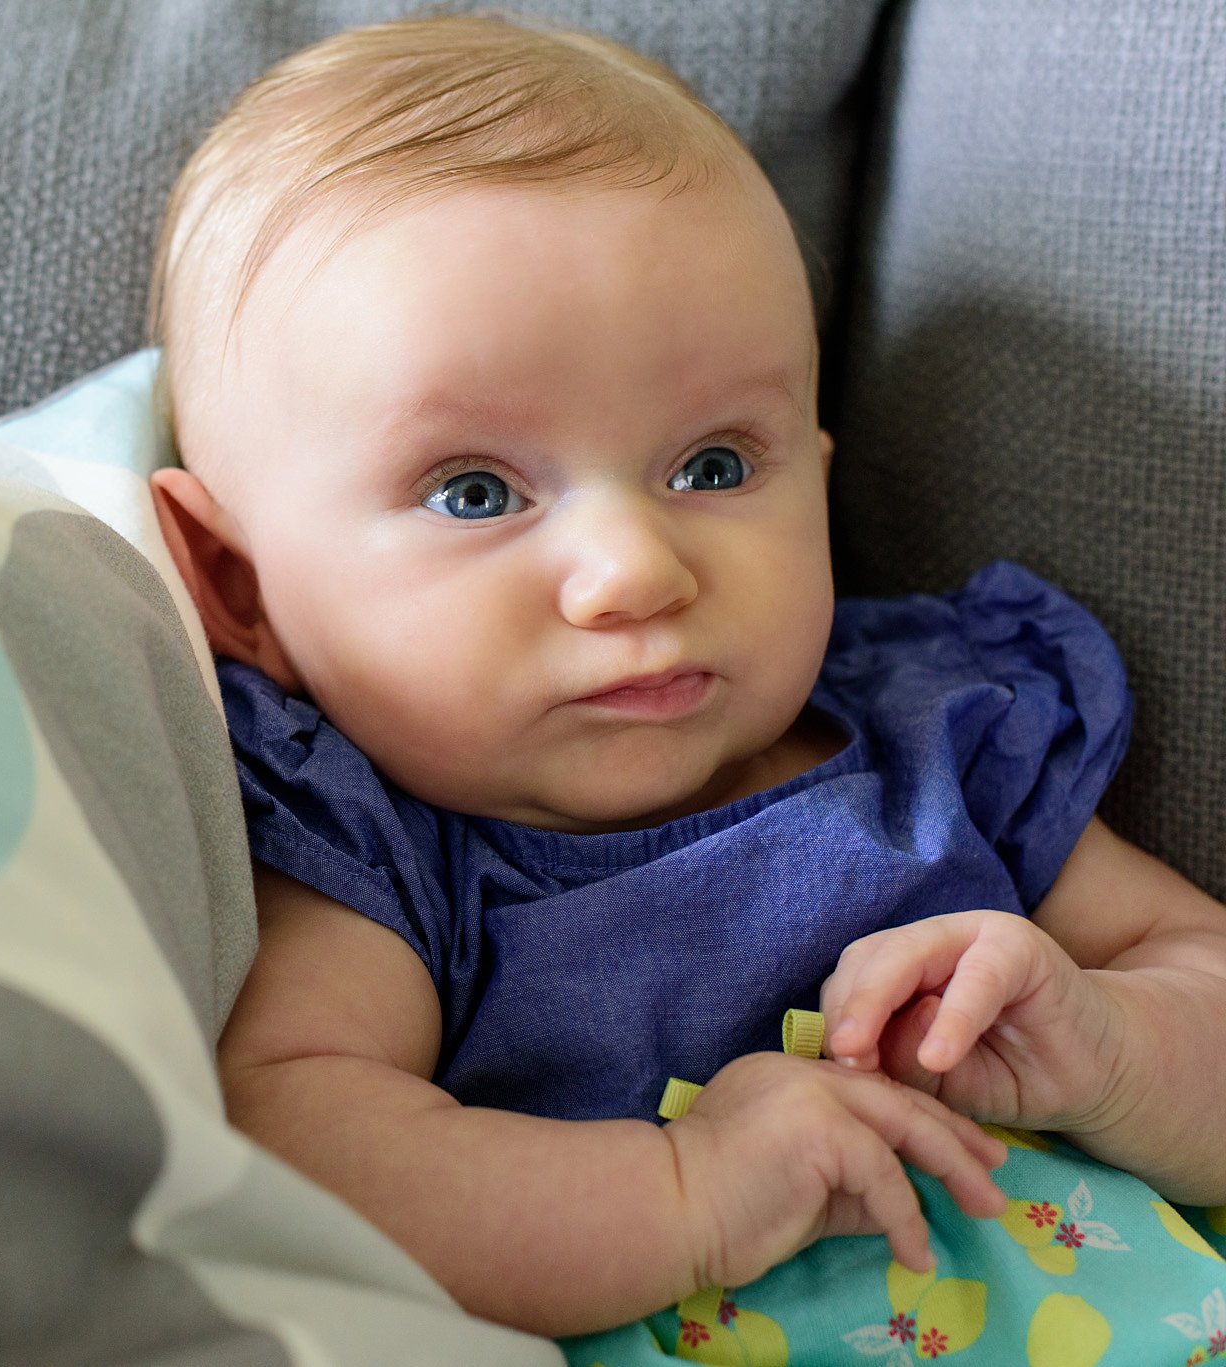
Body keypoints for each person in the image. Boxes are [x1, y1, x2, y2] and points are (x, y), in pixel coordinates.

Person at [142, 12, 1226, 1341]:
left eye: (714, 466)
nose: (633, 573)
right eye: (476, 492)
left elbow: (1202, 977)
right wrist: (688, 1193)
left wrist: (1114, 1046)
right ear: (240, 586)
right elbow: (298, 1156)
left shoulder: (949, 737)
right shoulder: (382, 855)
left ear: (815, 484)